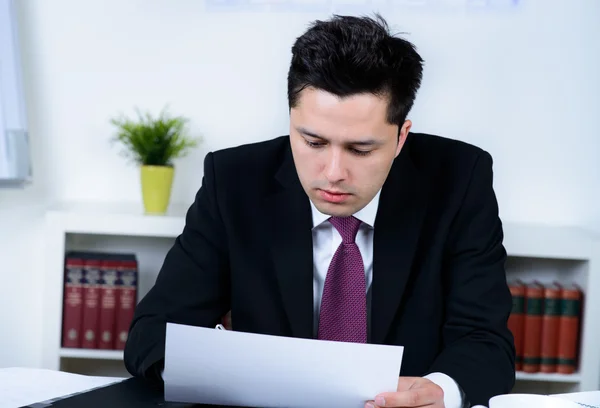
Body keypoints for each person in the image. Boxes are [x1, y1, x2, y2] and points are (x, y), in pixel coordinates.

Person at [124, 14, 515, 408]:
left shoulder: (460, 180)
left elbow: (485, 341)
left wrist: (443, 390)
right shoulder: (234, 182)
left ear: (401, 138)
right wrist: (231, 370)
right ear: (291, 121)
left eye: (361, 150)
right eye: (312, 142)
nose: (333, 174)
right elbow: (152, 336)